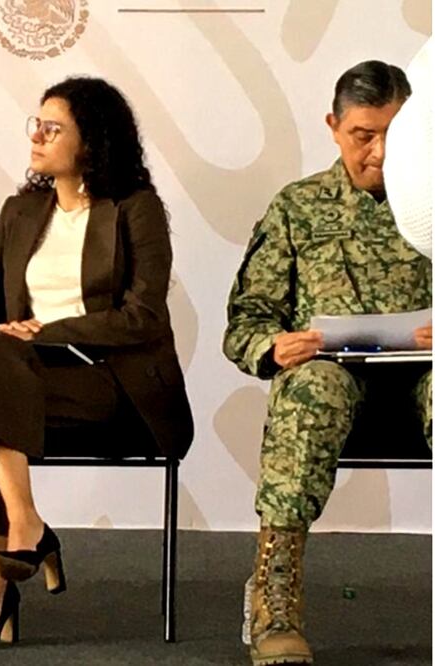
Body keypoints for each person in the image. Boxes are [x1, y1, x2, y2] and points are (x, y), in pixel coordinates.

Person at [0, 77, 193, 650]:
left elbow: (142, 316)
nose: (37, 135)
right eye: (36, 123)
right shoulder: (22, 212)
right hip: (25, 384)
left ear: (92, 141)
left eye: (54, 127)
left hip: (112, 383)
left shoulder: (134, 210)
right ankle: (24, 527)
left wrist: (41, 333)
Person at [223, 60, 431, 666]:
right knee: (310, 387)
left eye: (395, 133)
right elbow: (246, 322)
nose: (380, 151)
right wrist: (274, 346)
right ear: (334, 127)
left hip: (424, 378)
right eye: (364, 135)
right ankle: (275, 597)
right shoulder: (299, 208)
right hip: (330, 383)